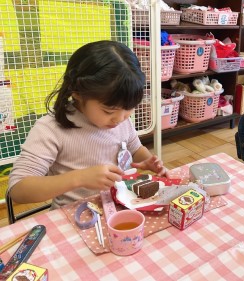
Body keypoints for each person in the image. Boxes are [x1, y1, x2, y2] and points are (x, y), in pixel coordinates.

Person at [8, 40, 167, 208]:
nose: (119, 119)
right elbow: (18, 189)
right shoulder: (50, 129)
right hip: (76, 216)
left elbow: (134, 147)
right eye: (108, 111)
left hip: (122, 204)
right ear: (77, 93)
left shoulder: (120, 119)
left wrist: (148, 160)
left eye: (129, 109)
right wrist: (80, 178)